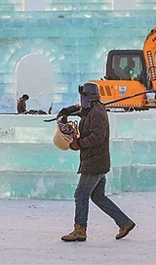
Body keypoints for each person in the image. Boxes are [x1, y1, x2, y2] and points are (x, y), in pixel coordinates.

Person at [59, 82, 135, 242]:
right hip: (97, 160)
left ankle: (80, 229)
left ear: (88, 97)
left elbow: (97, 138)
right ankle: (124, 222)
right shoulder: (91, 110)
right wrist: (66, 112)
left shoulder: (97, 113)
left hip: (95, 162)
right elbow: (80, 110)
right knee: (98, 196)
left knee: (81, 194)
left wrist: (78, 143)